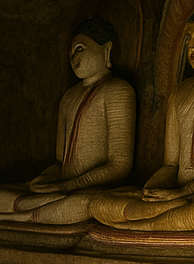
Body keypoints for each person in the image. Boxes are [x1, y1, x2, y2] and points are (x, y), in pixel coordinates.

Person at [91, 2, 194, 231]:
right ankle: (156, 221)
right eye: (188, 39)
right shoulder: (179, 92)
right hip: (178, 195)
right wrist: (153, 190)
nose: (191, 46)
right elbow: (171, 164)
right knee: (98, 204)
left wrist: (186, 191)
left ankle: (143, 225)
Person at [0, 19, 136, 226]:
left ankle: (21, 217)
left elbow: (120, 165)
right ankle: (31, 212)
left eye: (80, 49)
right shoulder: (68, 97)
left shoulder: (118, 91)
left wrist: (68, 186)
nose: (73, 58)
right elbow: (60, 161)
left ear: (106, 50)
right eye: (71, 53)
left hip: (90, 191)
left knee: (86, 203)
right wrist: (45, 179)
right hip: (60, 192)